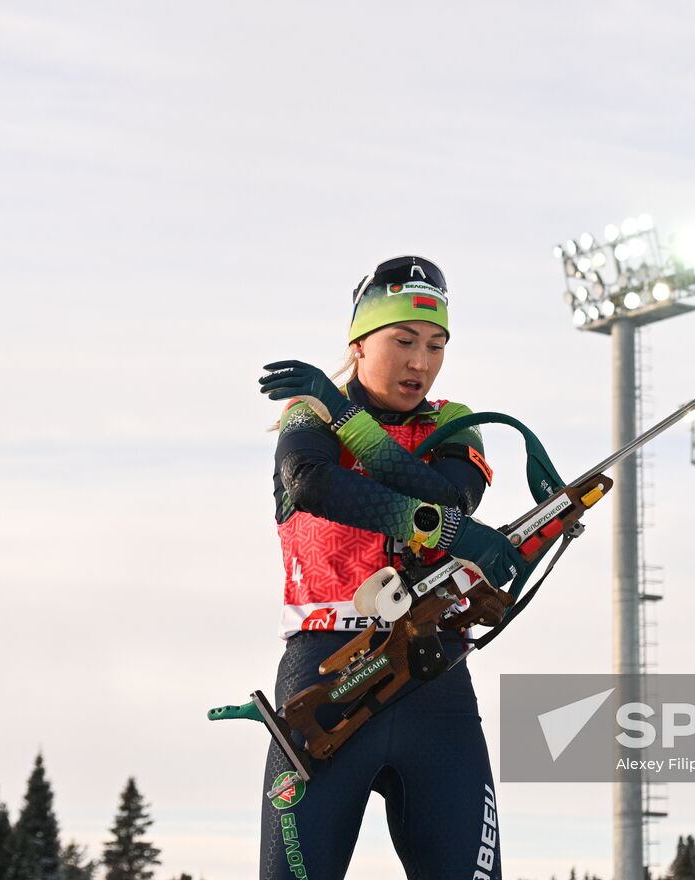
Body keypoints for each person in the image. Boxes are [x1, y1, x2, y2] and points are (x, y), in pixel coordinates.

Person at [255, 255, 522, 880]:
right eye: (402, 341)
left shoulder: (455, 421)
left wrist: (352, 423)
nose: (420, 363)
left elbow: (449, 497)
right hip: (324, 676)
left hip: (434, 680)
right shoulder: (308, 413)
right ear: (359, 343)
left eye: (436, 345)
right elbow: (313, 483)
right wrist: (437, 527)